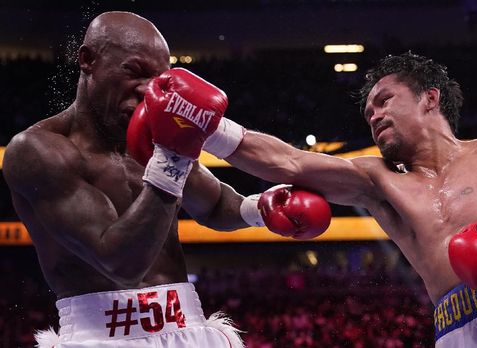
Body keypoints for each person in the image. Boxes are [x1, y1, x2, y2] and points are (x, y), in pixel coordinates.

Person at [153, 52, 477, 347]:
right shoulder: (378, 180)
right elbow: (287, 163)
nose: (374, 115)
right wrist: (205, 123)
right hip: (451, 328)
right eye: (369, 111)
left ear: (430, 99)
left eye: (385, 100)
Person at [1, 11, 330, 348]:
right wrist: (172, 157)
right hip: (101, 337)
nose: (148, 90)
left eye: (158, 78)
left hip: (190, 326)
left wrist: (259, 209)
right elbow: (121, 262)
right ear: (88, 60)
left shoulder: (150, 138)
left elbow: (214, 204)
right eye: (135, 72)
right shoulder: (37, 151)